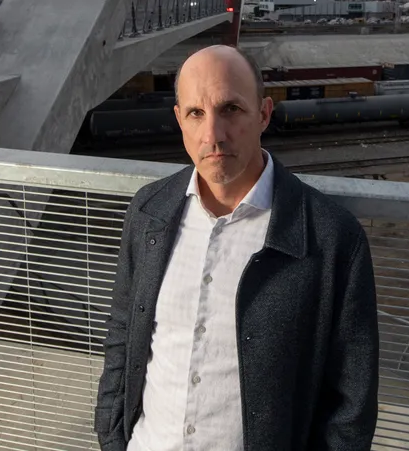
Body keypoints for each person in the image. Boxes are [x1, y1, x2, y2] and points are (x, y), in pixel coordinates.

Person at [94, 45, 379, 451]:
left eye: (230, 109)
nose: (213, 135)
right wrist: (110, 436)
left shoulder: (331, 238)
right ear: (179, 120)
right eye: (196, 113)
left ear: (264, 113)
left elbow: (352, 404)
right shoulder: (148, 212)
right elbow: (123, 334)